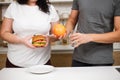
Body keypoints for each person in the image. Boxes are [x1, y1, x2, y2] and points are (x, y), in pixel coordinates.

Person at [0, 0, 59, 68]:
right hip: (15, 62)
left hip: (42, 63)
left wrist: (49, 38)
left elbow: (56, 35)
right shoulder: (14, 6)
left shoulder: (50, 8)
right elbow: (4, 33)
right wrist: (21, 40)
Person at [65, 0, 120, 67]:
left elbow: (118, 35)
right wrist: (65, 32)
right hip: (78, 58)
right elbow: (72, 20)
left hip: (102, 60)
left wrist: (90, 37)